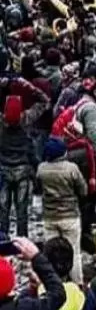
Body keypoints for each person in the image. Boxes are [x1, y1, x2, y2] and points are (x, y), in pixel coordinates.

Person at [37, 137, 87, 283]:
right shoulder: (71, 168)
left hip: (50, 217)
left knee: (51, 254)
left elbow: (38, 188)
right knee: (74, 253)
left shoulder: (41, 169)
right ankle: (78, 284)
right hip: (70, 216)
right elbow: (83, 190)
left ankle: (52, 284)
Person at [0, 96, 36, 237]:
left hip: (3, 170)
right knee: (22, 210)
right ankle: (22, 241)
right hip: (23, 171)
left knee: (3, 208)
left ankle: (2, 239)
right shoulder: (27, 120)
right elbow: (44, 100)